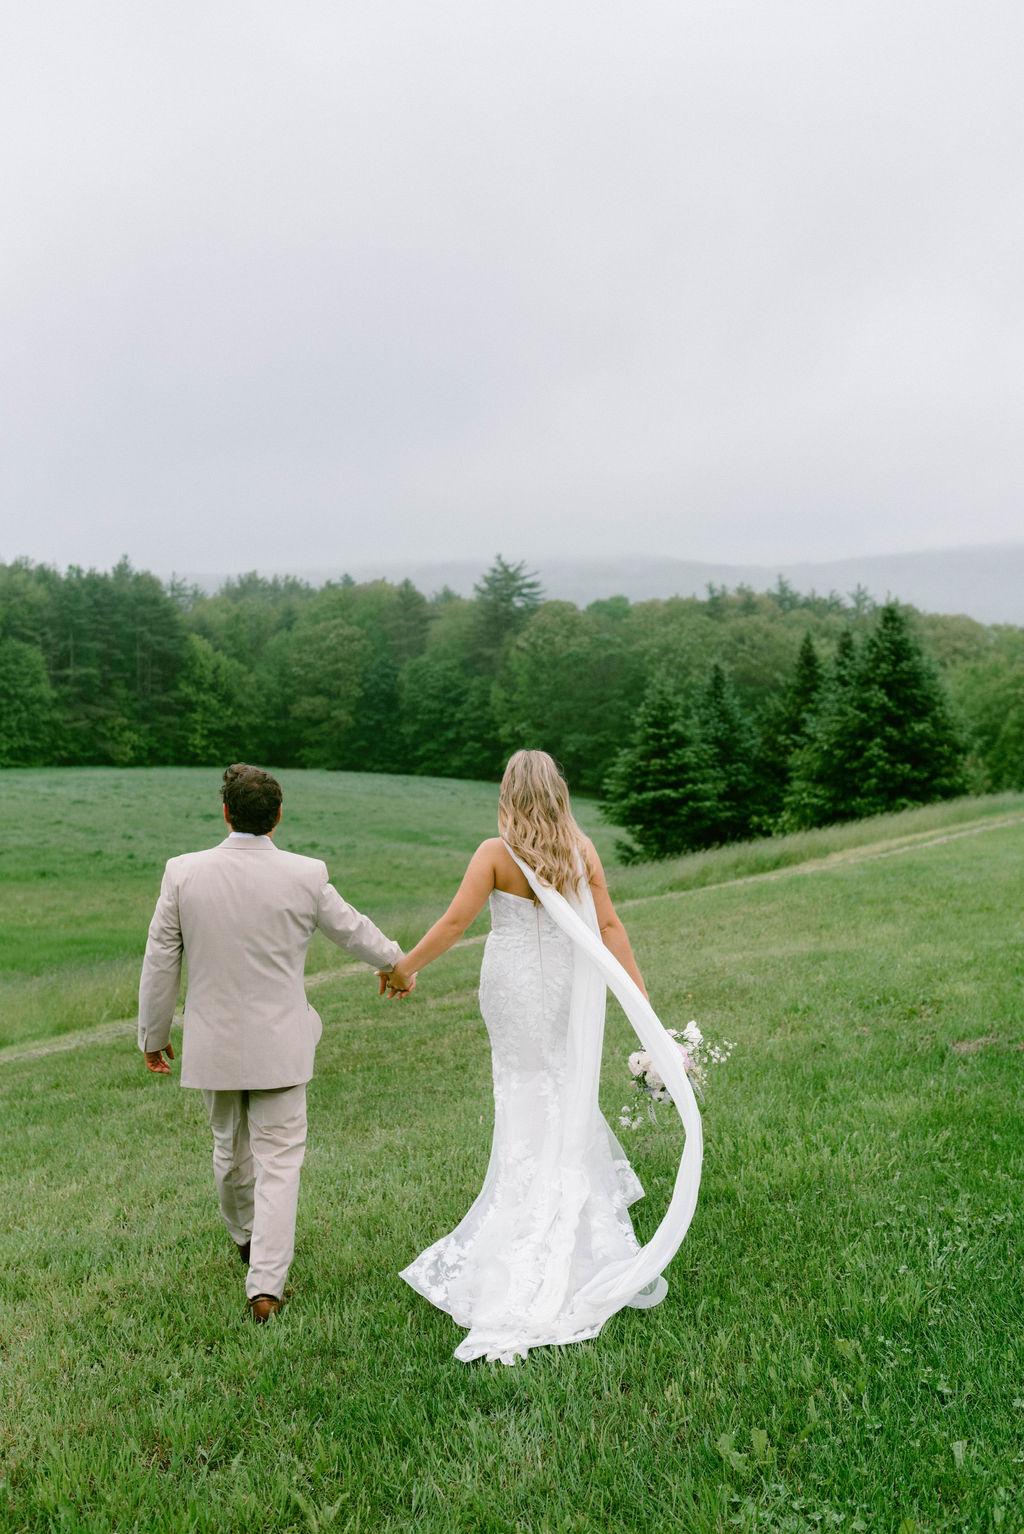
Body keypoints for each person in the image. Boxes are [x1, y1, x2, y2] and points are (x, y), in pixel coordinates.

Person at [383, 749, 702, 1364]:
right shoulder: (580, 851)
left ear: (508, 793)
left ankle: (528, 1225)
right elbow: (610, 930)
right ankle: (576, 1223)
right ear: (558, 792)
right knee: (558, 1086)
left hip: (509, 989)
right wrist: (647, 1013)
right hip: (561, 988)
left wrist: (403, 969)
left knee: (526, 1091)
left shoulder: (495, 855)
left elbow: (454, 923)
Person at [138, 763, 409, 1321]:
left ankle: (245, 1239)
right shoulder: (304, 875)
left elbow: (161, 958)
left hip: (213, 1045)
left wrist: (154, 1035)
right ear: (277, 818)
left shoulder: (183, 874)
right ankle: (265, 1286)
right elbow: (353, 929)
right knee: (279, 1163)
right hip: (281, 1043)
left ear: (226, 813)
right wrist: (396, 963)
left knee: (228, 1150)